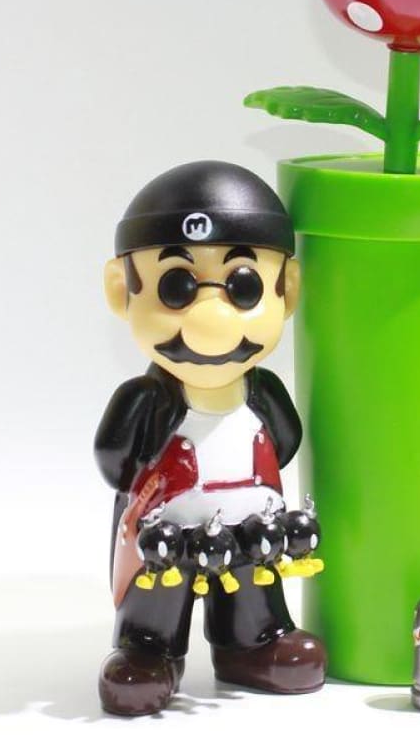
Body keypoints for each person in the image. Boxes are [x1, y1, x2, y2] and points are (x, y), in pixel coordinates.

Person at [94, 160, 326, 715]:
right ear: (121, 290)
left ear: (288, 290)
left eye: (243, 287)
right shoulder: (147, 400)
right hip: (166, 534)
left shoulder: (262, 393)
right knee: (158, 593)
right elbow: (115, 463)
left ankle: (253, 643)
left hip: (251, 530)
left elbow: (286, 442)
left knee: (253, 583)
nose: (211, 319)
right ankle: (148, 648)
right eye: (177, 287)